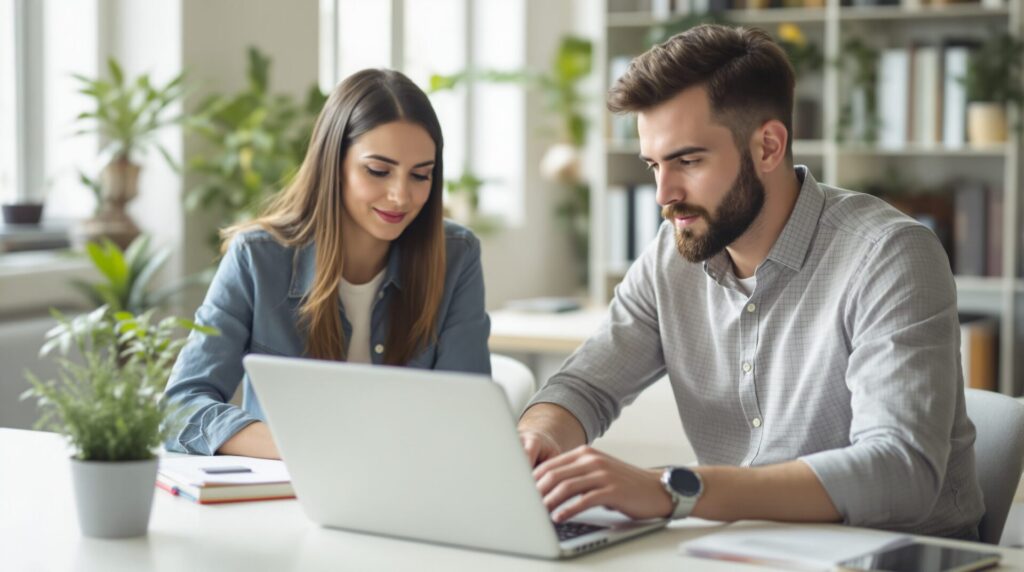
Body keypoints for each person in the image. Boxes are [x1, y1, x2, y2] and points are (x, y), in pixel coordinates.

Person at [517, 24, 983, 539]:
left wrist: (674, 489)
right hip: (744, 547)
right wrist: (538, 437)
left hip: (896, 552)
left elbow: (900, 470)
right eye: (653, 165)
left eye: (688, 161)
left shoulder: (889, 255)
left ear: (767, 146)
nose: (663, 194)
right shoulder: (670, 255)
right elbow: (587, 384)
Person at [164, 69, 491, 459]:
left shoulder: (456, 256)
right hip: (286, 496)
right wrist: (308, 450)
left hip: (410, 496)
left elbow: (467, 417)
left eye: (420, 175)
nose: (401, 196)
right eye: (378, 171)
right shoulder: (256, 258)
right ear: (333, 163)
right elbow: (179, 408)